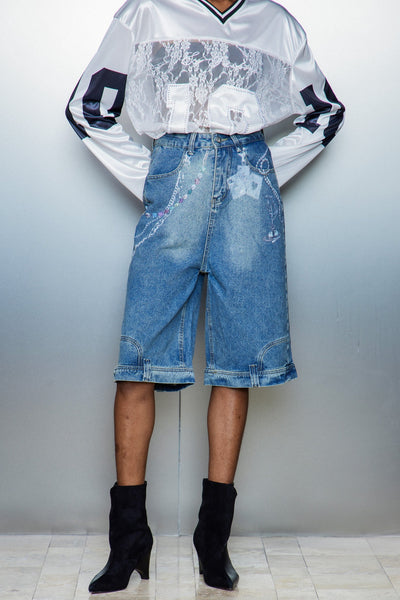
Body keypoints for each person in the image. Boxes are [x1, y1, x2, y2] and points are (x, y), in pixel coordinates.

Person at [66, 0, 345, 593]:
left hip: (248, 191)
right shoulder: (147, 12)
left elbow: (326, 111)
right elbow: (87, 108)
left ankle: (212, 541)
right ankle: (128, 541)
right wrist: (158, 180)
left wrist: (259, 175)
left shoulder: (276, 24)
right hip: (174, 177)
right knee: (139, 360)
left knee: (237, 364)